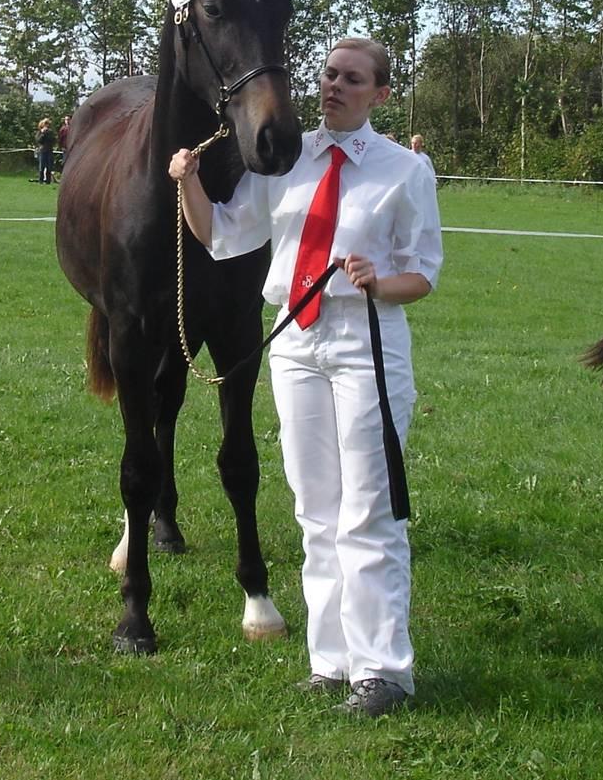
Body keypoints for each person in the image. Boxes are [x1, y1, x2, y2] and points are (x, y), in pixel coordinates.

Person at [169, 38, 442, 717]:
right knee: (314, 507)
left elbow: (422, 273)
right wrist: (187, 182)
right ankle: (331, 661)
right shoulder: (286, 159)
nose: (334, 86)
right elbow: (222, 234)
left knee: (368, 509)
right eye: (328, 74)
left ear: (380, 94)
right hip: (294, 342)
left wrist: (380, 281)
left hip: (364, 338)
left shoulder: (404, 170)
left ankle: (383, 671)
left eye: (352, 79)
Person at [35, 118, 55, 184]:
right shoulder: (39, 132)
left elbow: (53, 140)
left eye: (48, 124)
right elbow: (38, 140)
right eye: (45, 124)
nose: (47, 125)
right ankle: (41, 180)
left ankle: (48, 180)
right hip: (42, 151)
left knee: (49, 166)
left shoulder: (50, 132)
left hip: (49, 150)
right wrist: (43, 133)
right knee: (42, 166)